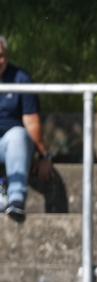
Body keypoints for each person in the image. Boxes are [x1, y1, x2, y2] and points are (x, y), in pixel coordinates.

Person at [0, 35, 51, 223]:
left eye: (2, 55)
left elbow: (32, 123)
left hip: (12, 146)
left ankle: (16, 199)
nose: (0, 61)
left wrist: (44, 156)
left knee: (18, 135)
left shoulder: (21, 78)